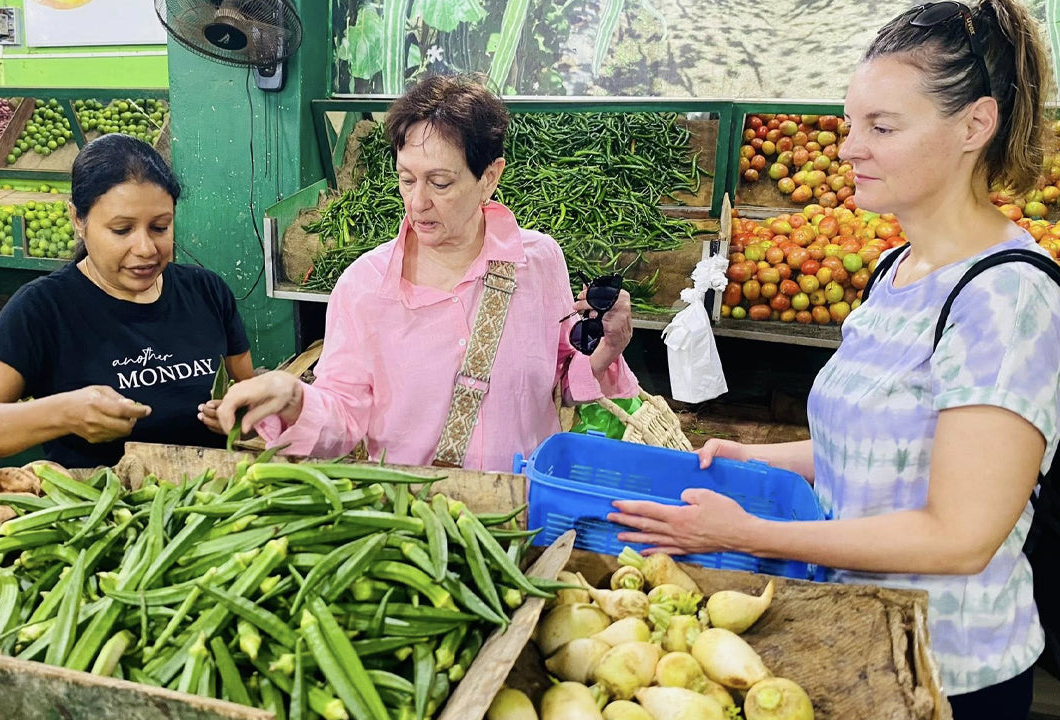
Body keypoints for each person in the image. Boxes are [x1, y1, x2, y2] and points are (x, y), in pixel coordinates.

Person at [607, 2, 1059, 716]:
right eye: (851, 124)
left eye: (882, 127)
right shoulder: (893, 269)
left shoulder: (1006, 297)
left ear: (975, 126)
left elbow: (960, 536)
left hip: (947, 674)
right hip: (857, 639)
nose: (850, 148)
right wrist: (755, 457)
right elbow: (884, 448)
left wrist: (751, 535)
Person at [208, 75, 639, 472]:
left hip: (522, 504)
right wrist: (295, 399)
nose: (417, 203)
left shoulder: (538, 262)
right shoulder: (363, 287)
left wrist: (608, 347)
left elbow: (560, 380)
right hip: (415, 512)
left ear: (489, 178)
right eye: (407, 179)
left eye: (440, 183)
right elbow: (342, 418)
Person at [0, 134, 254, 468]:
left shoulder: (207, 291)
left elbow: (248, 391)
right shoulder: (44, 308)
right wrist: (63, 413)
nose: (146, 248)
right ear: (78, 219)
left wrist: (240, 414)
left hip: (213, 491)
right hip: (103, 498)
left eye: (160, 227)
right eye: (122, 230)